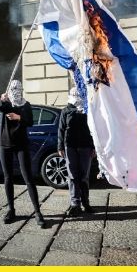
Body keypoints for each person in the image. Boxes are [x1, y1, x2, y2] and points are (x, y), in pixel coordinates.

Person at [0, 80, 44, 228]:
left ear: (21, 90)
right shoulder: (7, 103)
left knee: (28, 177)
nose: (15, 91)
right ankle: (11, 210)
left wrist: (19, 118)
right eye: (12, 89)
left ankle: (37, 212)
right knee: (8, 177)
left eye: (18, 89)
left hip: (21, 144)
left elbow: (30, 122)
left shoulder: (26, 105)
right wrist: (1, 99)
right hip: (4, 144)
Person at [58, 87, 96, 216]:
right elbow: (61, 130)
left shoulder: (88, 110)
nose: (76, 98)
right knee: (73, 176)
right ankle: (75, 204)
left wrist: (94, 146)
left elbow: (94, 129)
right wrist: (60, 147)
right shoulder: (66, 111)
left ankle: (86, 202)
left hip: (86, 147)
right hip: (70, 147)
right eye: (74, 95)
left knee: (84, 176)